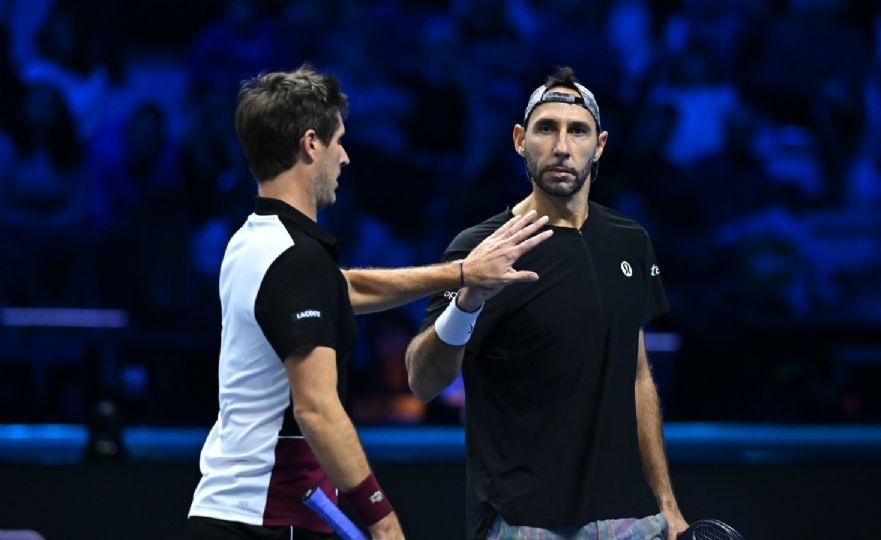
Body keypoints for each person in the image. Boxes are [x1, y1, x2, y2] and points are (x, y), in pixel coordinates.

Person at [187, 65, 553, 540]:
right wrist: (382, 520)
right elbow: (316, 408)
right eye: (338, 140)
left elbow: (344, 289)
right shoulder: (295, 260)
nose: (345, 156)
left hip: (239, 513)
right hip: (268, 519)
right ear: (310, 143)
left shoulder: (254, 242)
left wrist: (463, 272)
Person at [405, 66, 689, 540]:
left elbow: (637, 375)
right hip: (524, 523)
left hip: (629, 521)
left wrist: (667, 504)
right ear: (520, 139)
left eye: (577, 131)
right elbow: (422, 380)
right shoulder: (482, 247)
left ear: (599, 146)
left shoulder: (630, 242)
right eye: (546, 129)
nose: (561, 146)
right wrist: (469, 297)